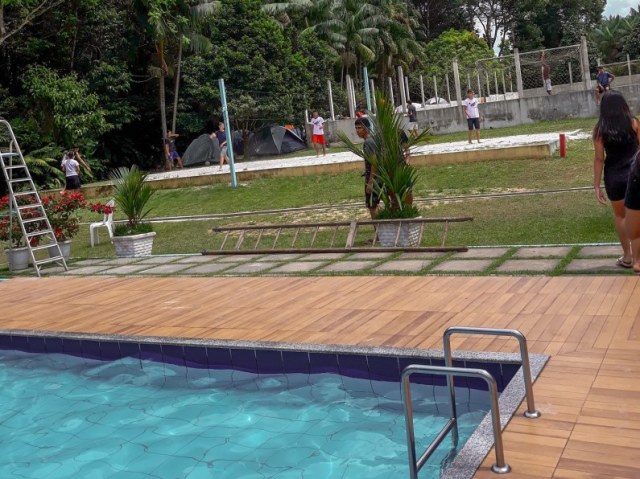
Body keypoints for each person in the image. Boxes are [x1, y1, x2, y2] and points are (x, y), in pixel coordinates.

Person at [593, 90, 640, 270]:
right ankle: (637, 259)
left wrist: (596, 185)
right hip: (634, 175)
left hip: (613, 176)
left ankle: (627, 257)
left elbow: (599, 159)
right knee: (637, 217)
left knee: (620, 216)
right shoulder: (634, 123)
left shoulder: (599, 130)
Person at [355, 117, 380, 220]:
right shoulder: (371, 140)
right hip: (374, 177)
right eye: (356, 128)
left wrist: (370, 182)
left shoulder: (368, 142)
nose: (357, 131)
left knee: (372, 206)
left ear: (366, 128)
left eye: (359, 128)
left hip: (373, 179)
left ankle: (379, 235)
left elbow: (374, 162)